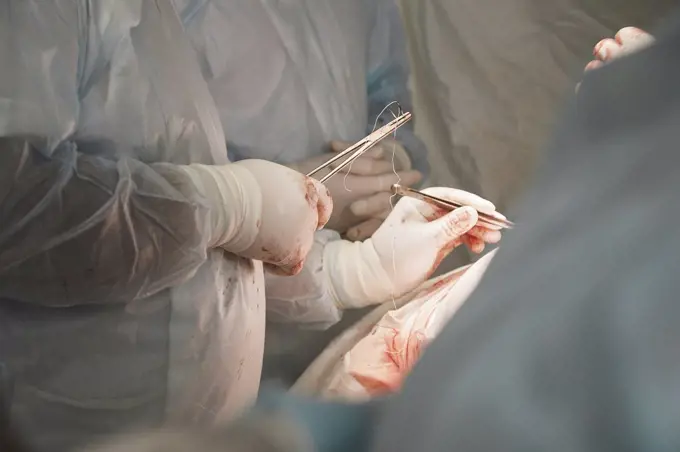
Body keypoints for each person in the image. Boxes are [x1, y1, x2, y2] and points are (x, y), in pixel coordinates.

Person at [0, 2, 501, 451]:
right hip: (71, 417)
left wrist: (348, 270)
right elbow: (23, 209)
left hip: (208, 410)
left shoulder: (151, 24)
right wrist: (231, 202)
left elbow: (194, 252)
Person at [174, 0, 432, 384]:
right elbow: (156, 209)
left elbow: (388, 93)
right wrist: (288, 204)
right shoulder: (161, 15)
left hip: (351, 332)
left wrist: (389, 162)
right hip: (210, 344)